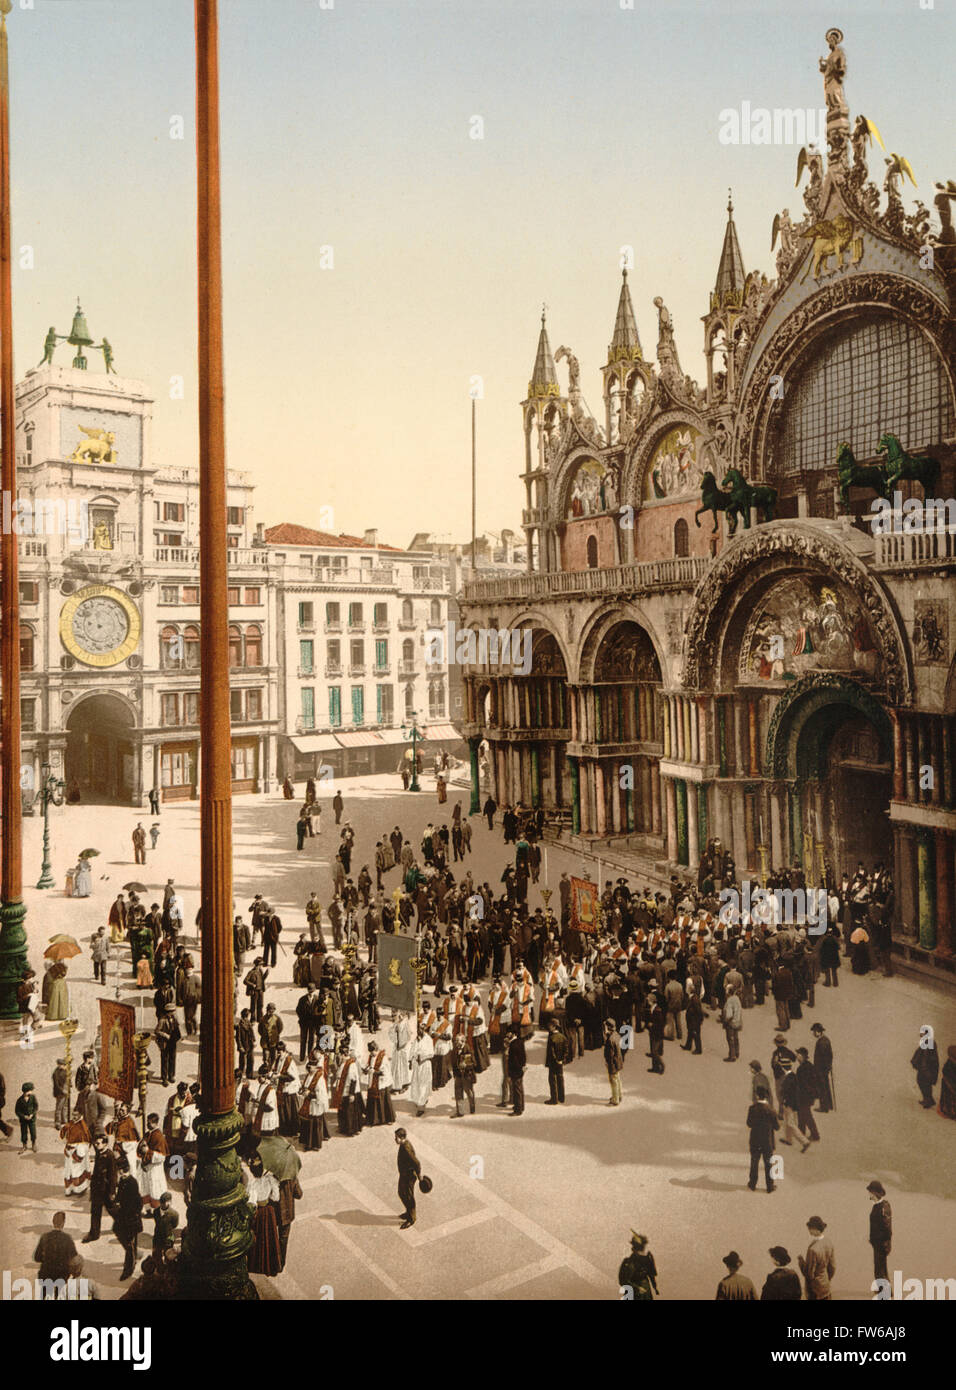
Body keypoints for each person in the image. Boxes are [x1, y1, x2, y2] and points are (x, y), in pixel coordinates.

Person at [243, 1157, 282, 1275]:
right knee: (270, 1238)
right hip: (269, 1211)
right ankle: (271, 1266)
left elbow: (252, 1202)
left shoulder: (252, 1184)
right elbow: (276, 1197)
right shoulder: (270, 1180)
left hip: (258, 1213)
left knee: (258, 1239)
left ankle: (257, 1265)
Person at [111, 1154, 143, 1281]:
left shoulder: (132, 1183)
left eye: (120, 1171)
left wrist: (132, 1215)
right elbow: (120, 1195)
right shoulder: (123, 1181)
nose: (119, 1173)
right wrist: (117, 1200)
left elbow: (137, 1203)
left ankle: (128, 1269)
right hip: (123, 1216)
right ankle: (134, 1256)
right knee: (120, 1234)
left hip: (130, 1218)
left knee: (129, 1243)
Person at [83, 1133, 118, 1243]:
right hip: (97, 1189)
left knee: (113, 1210)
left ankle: (125, 1226)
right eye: (95, 1143)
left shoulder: (110, 1156)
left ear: (105, 1144)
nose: (96, 1145)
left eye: (98, 1143)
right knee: (95, 1211)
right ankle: (94, 1234)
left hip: (106, 1189)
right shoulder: (99, 1153)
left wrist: (112, 1192)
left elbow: (113, 1175)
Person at [33, 1213, 78, 1297]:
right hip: (62, 1274)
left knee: (45, 1295)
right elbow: (74, 1257)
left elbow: (37, 1257)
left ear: (53, 1222)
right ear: (63, 1223)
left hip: (46, 1273)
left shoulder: (44, 1237)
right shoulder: (67, 1238)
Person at [746, 1084, 778, 1193]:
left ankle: (752, 1184)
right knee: (768, 1163)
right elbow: (777, 1127)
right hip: (767, 1141)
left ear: (757, 1096)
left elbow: (749, 1124)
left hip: (755, 1140)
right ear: (766, 1097)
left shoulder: (752, 1109)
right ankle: (769, 1186)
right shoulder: (771, 1110)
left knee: (754, 1162)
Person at [798, 1216, 835, 1300]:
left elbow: (809, 1273)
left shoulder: (813, 1249)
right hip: (825, 1285)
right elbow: (832, 1267)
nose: (809, 1230)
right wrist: (826, 1279)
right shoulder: (828, 1243)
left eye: (810, 1228)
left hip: (815, 1289)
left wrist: (801, 1262)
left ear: (815, 1229)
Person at [618, 1232, 659, 1300]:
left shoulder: (647, 1259)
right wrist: (637, 1288)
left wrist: (654, 1287)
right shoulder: (629, 1261)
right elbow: (623, 1280)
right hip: (633, 1292)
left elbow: (652, 1275)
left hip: (644, 1291)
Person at [395, 1127, 422, 1229]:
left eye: (396, 1137)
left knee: (408, 1196)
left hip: (409, 1176)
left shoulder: (406, 1148)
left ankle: (411, 1218)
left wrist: (419, 1175)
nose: (395, 1139)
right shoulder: (404, 1144)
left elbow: (416, 1162)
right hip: (404, 1174)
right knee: (402, 1193)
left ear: (402, 1137)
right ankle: (408, 1212)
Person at [145, 1191, 179, 1267]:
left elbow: (174, 1225)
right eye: (162, 1203)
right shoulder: (156, 1211)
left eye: (165, 1202)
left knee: (169, 1258)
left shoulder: (174, 1214)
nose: (163, 1204)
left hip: (168, 1238)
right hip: (157, 1237)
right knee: (156, 1257)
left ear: (169, 1202)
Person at [867, 1180, 892, 1283]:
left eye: (870, 1192)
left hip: (881, 1244)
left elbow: (887, 1228)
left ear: (875, 1193)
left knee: (880, 1269)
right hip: (878, 1242)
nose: (869, 1195)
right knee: (880, 1268)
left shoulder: (883, 1206)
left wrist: (884, 1242)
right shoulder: (877, 1206)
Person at [911, 1036, 940, 1108]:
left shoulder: (929, 1042)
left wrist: (924, 1068)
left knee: (924, 1083)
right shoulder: (927, 1042)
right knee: (923, 1083)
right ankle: (928, 1099)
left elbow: (926, 1056)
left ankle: (928, 1100)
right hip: (925, 1068)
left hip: (926, 1069)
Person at [810, 1023, 834, 1112]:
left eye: (814, 1032)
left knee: (822, 1088)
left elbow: (823, 1057)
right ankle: (829, 1105)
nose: (813, 1034)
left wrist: (822, 1069)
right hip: (824, 1069)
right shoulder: (825, 1040)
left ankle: (824, 1107)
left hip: (821, 1069)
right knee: (825, 1087)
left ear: (818, 1032)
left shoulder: (822, 1042)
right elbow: (830, 1055)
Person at [451, 1034, 476, 1117]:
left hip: (467, 1075)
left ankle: (472, 1107)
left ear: (463, 1041)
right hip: (458, 1075)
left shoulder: (467, 1049)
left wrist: (466, 1065)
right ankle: (460, 1112)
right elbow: (453, 1063)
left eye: (458, 1041)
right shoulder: (455, 1050)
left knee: (469, 1092)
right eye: (456, 1041)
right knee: (458, 1092)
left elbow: (473, 1064)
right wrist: (455, 1074)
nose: (456, 1043)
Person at [545, 1018, 568, 1104]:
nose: (548, 1027)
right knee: (560, 1078)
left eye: (550, 1025)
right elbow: (566, 1051)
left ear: (554, 1027)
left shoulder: (551, 1038)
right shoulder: (563, 1037)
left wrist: (555, 1060)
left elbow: (551, 1052)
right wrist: (562, 1060)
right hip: (560, 1062)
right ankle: (561, 1098)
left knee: (552, 1080)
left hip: (553, 1062)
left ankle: (554, 1099)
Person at [505, 1028, 527, 1115]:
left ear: (513, 1034)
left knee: (516, 1089)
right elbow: (523, 1056)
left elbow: (513, 1061)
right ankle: (521, 1106)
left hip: (515, 1070)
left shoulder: (513, 1045)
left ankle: (518, 1110)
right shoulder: (520, 1042)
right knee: (520, 1088)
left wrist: (510, 1072)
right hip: (520, 1069)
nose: (507, 1035)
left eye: (509, 1033)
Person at [603, 1018, 624, 1105]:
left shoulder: (610, 1040)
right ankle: (619, 1095)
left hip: (613, 1063)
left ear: (608, 1027)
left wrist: (609, 1064)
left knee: (613, 1080)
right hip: (618, 1061)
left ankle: (615, 1099)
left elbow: (610, 1055)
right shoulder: (616, 1035)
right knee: (618, 1079)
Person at [16, 1081, 38, 1152]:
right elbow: (17, 1111)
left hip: (32, 1119)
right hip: (23, 1120)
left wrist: (32, 1114)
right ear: (26, 1091)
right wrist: (23, 1116)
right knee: (24, 1133)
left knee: (33, 1132)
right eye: (30, 1090)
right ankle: (24, 1145)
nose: (31, 1092)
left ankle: (33, 1144)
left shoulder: (33, 1097)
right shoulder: (19, 1100)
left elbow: (36, 1107)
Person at [52, 1057, 70, 1127]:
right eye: (64, 1065)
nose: (65, 1067)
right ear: (59, 1065)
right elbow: (56, 1085)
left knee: (65, 1107)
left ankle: (64, 1120)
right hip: (60, 1093)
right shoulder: (56, 1073)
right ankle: (57, 1122)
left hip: (65, 1092)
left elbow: (67, 1080)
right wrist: (62, 1091)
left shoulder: (64, 1071)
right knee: (59, 1107)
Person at [939, 1044, 956, 1120]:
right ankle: (950, 1112)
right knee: (949, 1099)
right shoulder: (949, 1063)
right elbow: (945, 1072)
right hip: (948, 1084)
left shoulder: (951, 1063)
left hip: (950, 1084)